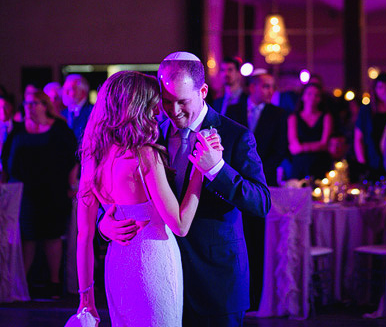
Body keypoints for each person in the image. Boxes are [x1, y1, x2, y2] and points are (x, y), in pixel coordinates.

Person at [99, 51, 270, 327]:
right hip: (160, 278)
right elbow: (118, 189)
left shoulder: (237, 135)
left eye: (182, 101)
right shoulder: (151, 133)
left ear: (203, 91)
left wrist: (217, 169)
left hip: (216, 280)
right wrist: (104, 224)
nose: (174, 111)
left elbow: (261, 203)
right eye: (166, 102)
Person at [76, 70, 215, 324]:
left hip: (117, 263)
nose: (159, 112)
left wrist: (86, 299)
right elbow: (181, 224)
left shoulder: (92, 157)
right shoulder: (144, 155)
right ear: (138, 107)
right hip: (153, 263)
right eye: (154, 104)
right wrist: (199, 170)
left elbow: (84, 235)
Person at [1, 89, 78, 299]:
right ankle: (22, 285)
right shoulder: (18, 130)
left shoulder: (59, 129)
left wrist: (72, 185)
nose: (30, 107)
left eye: (34, 103)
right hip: (24, 194)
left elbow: (73, 158)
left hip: (53, 191)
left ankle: (54, 283)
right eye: (26, 104)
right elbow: (6, 160)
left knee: (51, 237)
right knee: (28, 238)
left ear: (45, 106)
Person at [226, 68, 288, 309]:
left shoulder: (278, 114)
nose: (270, 91)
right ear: (252, 87)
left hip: (261, 184)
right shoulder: (233, 110)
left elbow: (280, 150)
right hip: (233, 182)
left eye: (272, 86)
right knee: (237, 238)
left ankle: (257, 296)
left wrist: (254, 172)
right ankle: (238, 293)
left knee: (259, 240)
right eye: (265, 86)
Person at [287, 81, 333, 181]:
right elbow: (294, 147)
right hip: (300, 165)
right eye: (309, 94)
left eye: (316, 95)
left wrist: (303, 147)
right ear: (303, 97)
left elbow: (324, 144)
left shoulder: (326, 117)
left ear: (320, 99)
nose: (312, 97)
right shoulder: (293, 118)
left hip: (320, 163)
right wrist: (315, 146)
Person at [355, 72, 386, 182]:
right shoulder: (367, 110)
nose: (383, 91)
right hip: (372, 160)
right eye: (380, 87)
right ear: (375, 89)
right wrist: (362, 163)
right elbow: (358, 138)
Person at [63, 74, 94, 140]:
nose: (65, 93)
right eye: (64, 89)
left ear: (83, 91)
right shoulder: (62, 113)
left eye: (70, 89)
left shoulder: (93, 112)